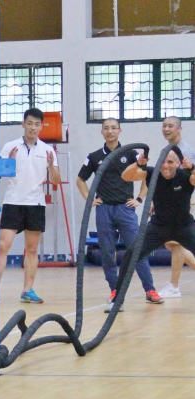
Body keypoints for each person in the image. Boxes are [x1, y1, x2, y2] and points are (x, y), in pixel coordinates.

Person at [76, 118, 163, 305]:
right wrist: (90, 199)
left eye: (113, 128)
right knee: (107, 252)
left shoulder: (131, 155)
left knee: (137, 249)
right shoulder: (94, 156)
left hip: (125, 209)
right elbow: (80, 181)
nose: (110, 131)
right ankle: (115, 291)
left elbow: (146, 177)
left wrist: (139, 199)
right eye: (106, 128)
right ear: (102, 132)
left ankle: (150, 290)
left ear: (120, 131)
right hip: (104, 209)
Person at [108, 150, 195, 312]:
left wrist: (192, 167)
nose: (165, 165)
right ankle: (117, 298)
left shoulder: (184, 176)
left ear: (177, 163)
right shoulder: (152, 173)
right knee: (131, 255)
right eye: (163, 161)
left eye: (170, 162)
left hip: (184, 226)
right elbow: (126, 176)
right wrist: (138, 163)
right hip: (158, 226)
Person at [0, 107, 60, 303]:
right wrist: (10, 162)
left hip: (35, 203)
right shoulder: (10, 147)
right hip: (13, 201)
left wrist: (51, 165)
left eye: (37, 124)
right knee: (3, 246)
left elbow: (57, 180)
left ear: (42, 126)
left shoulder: (48, 150)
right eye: (30, 123)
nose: (33, 127)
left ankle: (28, 290)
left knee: (31, 249)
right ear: (23, 124)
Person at [157, 116, 195, 298]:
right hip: (169, 203)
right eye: (164, 126)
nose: (166, 129)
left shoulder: (185, 151)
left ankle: (174, 286)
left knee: (176, 242)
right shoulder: (166, 149)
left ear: (179, 128)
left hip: (185, 201)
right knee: (173, 244)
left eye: (170, 126)